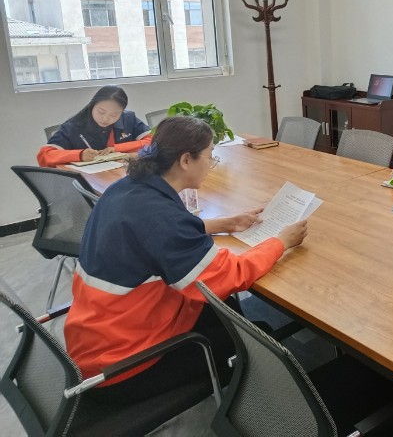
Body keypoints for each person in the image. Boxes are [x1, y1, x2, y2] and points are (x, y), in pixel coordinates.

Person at [64, 115, 308, 403]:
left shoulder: (128, 188)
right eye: (210, 156)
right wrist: (281, 242)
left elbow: (156, 234)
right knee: (260, 341)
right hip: (123, 365)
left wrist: (225, 223)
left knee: (226, 312)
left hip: (98, 336)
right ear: (185, 160)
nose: (211, 163)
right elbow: (230, 275)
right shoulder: (162, 217)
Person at [37, 85, 151, 167]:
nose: (105, 119)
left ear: (122, 112)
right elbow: (44, 155)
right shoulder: (73, 126)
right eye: (101, 112)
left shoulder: (128, 118)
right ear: (92, 105)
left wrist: (117, 149)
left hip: (124, 174)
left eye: (114, 115)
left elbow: (154, 141)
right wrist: (79, 155)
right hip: (89, 181)